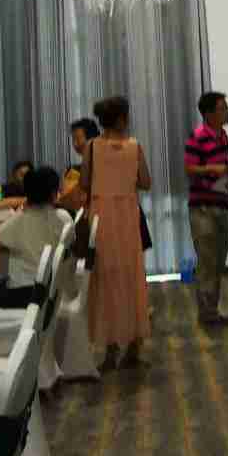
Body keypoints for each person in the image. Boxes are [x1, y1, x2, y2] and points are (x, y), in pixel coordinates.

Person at [80, 95, 151, 368]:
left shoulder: (92, 147)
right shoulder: (134, 146)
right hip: (127, 215)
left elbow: (85, 182)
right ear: (122, 118)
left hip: (100, 216)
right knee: (132, 276)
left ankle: (109, 348)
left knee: (104, 280)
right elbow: (145, 182)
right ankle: (134, 345)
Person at [185, 90, 228, 328]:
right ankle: (207, 314)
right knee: (207, 262)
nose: (227, 112)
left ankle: (212, 310)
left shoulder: (223, 136)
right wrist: (211, 168)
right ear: (208, 114)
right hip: (203, 209)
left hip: (222, 204)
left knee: (218, 262)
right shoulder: (196, 137)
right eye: (223, 108)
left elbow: (224, 168)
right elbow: (189, 169)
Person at [0, 165, 72, 307]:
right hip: (53, 292)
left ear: (26, 193)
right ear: (54, 193)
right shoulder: (63, 217)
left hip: (21, 293)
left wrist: (19, 211)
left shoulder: (20, 219)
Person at [59, 117, 99, 215]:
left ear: (92, 139)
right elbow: (67, 199)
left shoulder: (107, 166)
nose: (75, 144)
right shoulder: (74, 171)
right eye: (73, 140)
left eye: (77, 139)